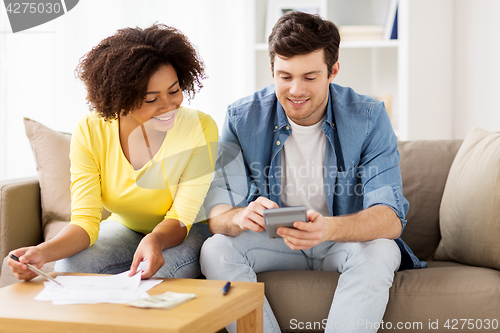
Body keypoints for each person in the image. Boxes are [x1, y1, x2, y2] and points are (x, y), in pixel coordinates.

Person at [200, 11, 425, 333]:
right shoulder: (241, 117)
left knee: (381, 249)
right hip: (275, 241)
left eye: (309, 77)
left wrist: (327, 229)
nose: (295, 90)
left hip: (340, 239)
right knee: (216, 248)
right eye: (285, 76)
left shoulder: (369, 117)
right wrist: (237, 217)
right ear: (272, 69)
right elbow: (217, 210)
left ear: (332, 71)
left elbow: (389, 217)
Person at [8, 24, 218, 281]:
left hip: (187, 232)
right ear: (122, 98)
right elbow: (85, 220)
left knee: (151, 277)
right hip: (126, 229)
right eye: (152, 99)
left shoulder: (199, 127)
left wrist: (155, 239)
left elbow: (182, 217)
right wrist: (42, 253)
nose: (169, 106)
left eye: (174, 91)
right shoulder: (90, 129)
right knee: (68, 269)